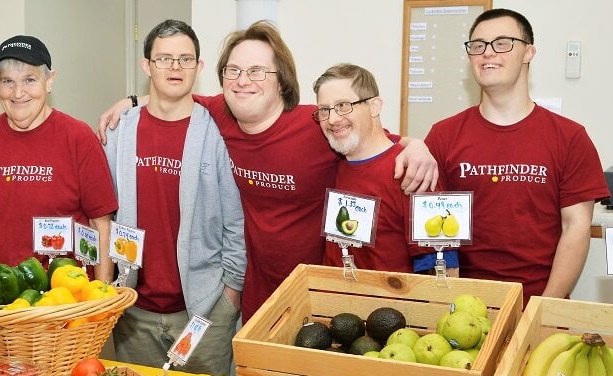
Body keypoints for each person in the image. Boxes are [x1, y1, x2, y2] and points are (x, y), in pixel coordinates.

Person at [98, 21, 439, 323]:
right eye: (233, 71)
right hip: (254, 298)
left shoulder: (315, 124)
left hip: (315, 300)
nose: (243, 81)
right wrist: (131, 101)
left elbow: (370, 140)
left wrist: (417, 146)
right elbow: (175, 93)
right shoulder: (222, 116)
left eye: (257, 71)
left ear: (282, 81)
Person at [424, 9, 608, 303]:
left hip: (540, 304)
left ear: (528, 52)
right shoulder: (443, 136)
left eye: (502, 43)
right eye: (478, 45)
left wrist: (545, 307)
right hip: (462, 308)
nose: (487, 53)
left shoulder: (570, 137)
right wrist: (456, 303)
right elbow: (435, 231)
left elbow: (576, 227)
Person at [104, 20, 245, 376]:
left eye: (185, 59)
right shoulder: (119, 131)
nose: (175, 68)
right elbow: (103, 213)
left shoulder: (219, 132)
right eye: (164, 59)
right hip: (134, 312)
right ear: (146, 66)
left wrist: (231, 293)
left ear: (198, 68)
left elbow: (237, 221)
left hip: (205, 311)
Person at [0, 35, 118, 281]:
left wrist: (103, 300)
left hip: (64, 301)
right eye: (8, 81)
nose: (18, 93)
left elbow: (100, 226)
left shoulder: (79, 138)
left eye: (29, 80)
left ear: (49, 81)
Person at [314, 64, 458, 275]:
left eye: (343, 105)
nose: (333, 119)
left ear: (374, 106)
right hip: (335, 304)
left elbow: (444, 272)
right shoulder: (333, 161)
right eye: (324, 110)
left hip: (391, 307)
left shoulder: (414, 172)